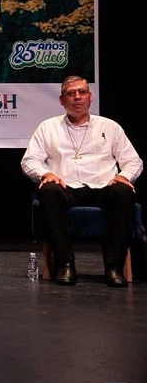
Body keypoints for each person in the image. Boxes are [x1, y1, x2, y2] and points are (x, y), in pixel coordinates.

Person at [21, 75, 142, 287]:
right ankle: (65, 264)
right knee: (48, 190)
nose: (77, 97)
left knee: (124, 192)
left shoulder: (110, 127)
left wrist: (123, 176)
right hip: (66, 187)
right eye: (71, 93)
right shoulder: (47, 127)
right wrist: (44, 174)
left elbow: (133, 161)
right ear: (61, 100)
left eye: (82, 92)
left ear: (90, 96)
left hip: (104, 187)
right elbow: (29, 160)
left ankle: (114, 267)